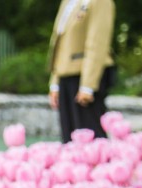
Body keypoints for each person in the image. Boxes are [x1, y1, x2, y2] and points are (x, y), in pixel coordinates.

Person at [47, 0, 116, 143]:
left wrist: (88, 85)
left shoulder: (101, 2)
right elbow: (58, 43)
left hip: (86, 78)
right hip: (65, 75)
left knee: (91, 135)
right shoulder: (67, 2)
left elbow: (97, 43)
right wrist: (54, 83)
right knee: (69, 137)